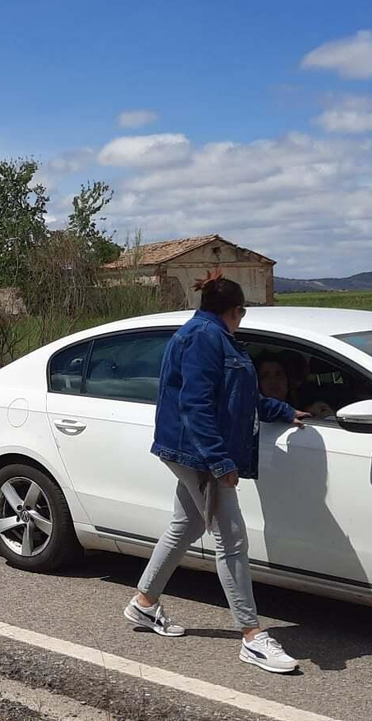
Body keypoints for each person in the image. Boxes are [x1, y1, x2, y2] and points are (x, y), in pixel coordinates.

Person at [123, 270, 309, 674]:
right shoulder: (204, 339)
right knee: (232, 540)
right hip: (198, 454)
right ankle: (252, 637)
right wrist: (220, 462)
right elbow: (196, 405)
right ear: (235, 311)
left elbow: (238, 396)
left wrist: (281, 410)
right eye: (242, 314)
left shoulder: (212, 335)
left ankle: (144, 603)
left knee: (185, 526)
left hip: (196, 451)